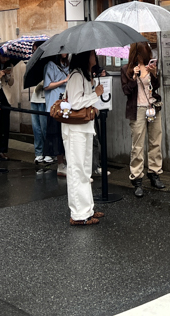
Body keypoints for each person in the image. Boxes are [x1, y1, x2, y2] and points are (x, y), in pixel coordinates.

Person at [63, 50, 105, 226]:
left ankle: (87, 208)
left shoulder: (85, 76)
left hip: (84, 129)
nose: (95, 57)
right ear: (85, 57)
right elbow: (75, 103)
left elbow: (83, 102)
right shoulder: (75, 77)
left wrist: (93, 104)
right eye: (93, 54)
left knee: (85, 170)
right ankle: (79, 214)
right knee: (77, 170)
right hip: (75, 131)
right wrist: (95, 93)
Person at [121, 41, 164, 198]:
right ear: (136, 54)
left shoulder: (150, 66)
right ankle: (137, 179)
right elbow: (126, 91)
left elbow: (157, 86)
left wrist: (153, 74)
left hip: (153, 107)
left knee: (155, 142)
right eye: (143, 55)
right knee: (137, 145)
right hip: (137, 109)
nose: (146, 57)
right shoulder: (126, 69)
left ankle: (154, 173)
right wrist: (133, 77)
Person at [42, 54, 69, 170]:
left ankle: (67, 162)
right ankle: (60, 163)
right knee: (56, 134)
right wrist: (64, 80)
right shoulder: (51, 65)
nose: (65, 53)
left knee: (66, 134)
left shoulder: (68, 65)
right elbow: (47, 85)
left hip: (66, 104)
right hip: (54, 105)